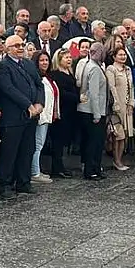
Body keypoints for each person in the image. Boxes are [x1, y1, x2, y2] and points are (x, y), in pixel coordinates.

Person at [0, 34, 43, 198]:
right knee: (9, 152)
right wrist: (27, 104)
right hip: (13, 117)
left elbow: (39, 84)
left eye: (22, 44)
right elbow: (8, 89)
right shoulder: (3, 66)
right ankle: (5, 185)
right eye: (16, 46)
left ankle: (23, 182)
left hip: (31, 116)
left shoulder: (28, 64)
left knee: (27, 150)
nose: (20, 48)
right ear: (7, 49)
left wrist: (39, 103)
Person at [77, 43, 108, 180]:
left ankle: (94, 168)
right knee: (94, 142)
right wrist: (97, 115)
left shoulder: (89, 65)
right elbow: (94, 93)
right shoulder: (94, 69)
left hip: (87, 109)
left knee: (93, 141)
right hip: (93, 111)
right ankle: (91, 170)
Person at [48, 49, 78, 178]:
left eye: (70, 57)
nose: (69, 59)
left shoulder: (70, 72)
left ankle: (63, 166)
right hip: (61, 111)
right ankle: (57, 167)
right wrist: (76, 97)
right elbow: (61, 93)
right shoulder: (56, 74)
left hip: (71, 111)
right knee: (58, 141)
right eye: (66, 57)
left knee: (65, 140)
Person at [106, 46, 134, 171]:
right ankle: (116, 160)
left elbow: (131, 86)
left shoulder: (128, 69)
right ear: (114, 56)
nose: (123, 57)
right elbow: (112, 87)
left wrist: (132, 102)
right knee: (118, 134)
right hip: (117, 107)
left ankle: (120, 159)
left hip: (127, 106)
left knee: (126, 134)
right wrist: (116, 104)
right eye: (120, 55)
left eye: (124, 55)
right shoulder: (111, 69)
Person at [32, 52, 58, 184]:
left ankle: (36, 169)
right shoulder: (36, 77)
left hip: (47, 115)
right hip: (40, 116)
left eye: (46, 60)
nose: (44, 63)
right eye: (41, 60)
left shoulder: (47, 77)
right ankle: (34, 173)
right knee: (37, 144)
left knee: (40, 144)